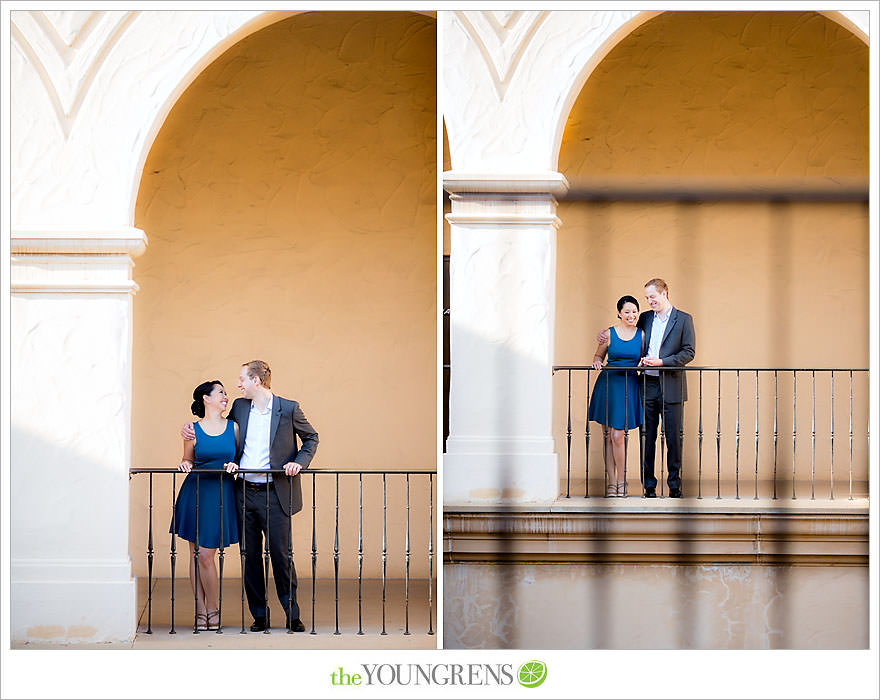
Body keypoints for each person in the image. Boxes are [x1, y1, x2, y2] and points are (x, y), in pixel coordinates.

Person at [182, 360, 318, 632]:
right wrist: (189, 430)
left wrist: (299, 463)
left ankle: (292, 615)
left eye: (242, 379)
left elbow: (311, 439)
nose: (238, 384)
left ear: (256, 381)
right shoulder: (241, 408)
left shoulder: (289, 408)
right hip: (243, 492)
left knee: (281, 555)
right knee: (250, 557)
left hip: (276, 494)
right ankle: (260, 616)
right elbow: (216, 430)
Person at [598, 278, 695, 498]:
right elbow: (627, 332)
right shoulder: (645, 318)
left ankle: (674, 486)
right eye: (647, 298)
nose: (649, 301)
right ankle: (648, 486)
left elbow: (689, 352)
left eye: (652, 296)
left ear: (665, 293)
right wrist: (604, 335)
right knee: (646, 437)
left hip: (672, 385)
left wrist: (662, 361)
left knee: (673, 438)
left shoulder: (684, 320)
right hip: (647, 384)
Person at [172, 380, 240, 631]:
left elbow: (240, 457)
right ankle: (201, 610)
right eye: (220, 392)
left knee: (206, 555)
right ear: (206, 398)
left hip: (221, 493)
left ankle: (213, 608)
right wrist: (185, 464)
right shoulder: (192, 430)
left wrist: (236, 465)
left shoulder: (233, 428)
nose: (225, 396)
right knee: (195, 554)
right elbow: (186, 458)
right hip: (196, 492)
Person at [588, 296, 645, 497]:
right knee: (607, 437)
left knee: (618, 435)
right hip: (609, 384)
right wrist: (596, 362)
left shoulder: (642, 334)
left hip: (629, 384)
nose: (631, 315)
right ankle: (612, 483)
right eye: (627, 311)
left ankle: (622, 481)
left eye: (634, 311)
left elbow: (645, 357)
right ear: (619, 313)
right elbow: (598, 356)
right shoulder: (609, 334)